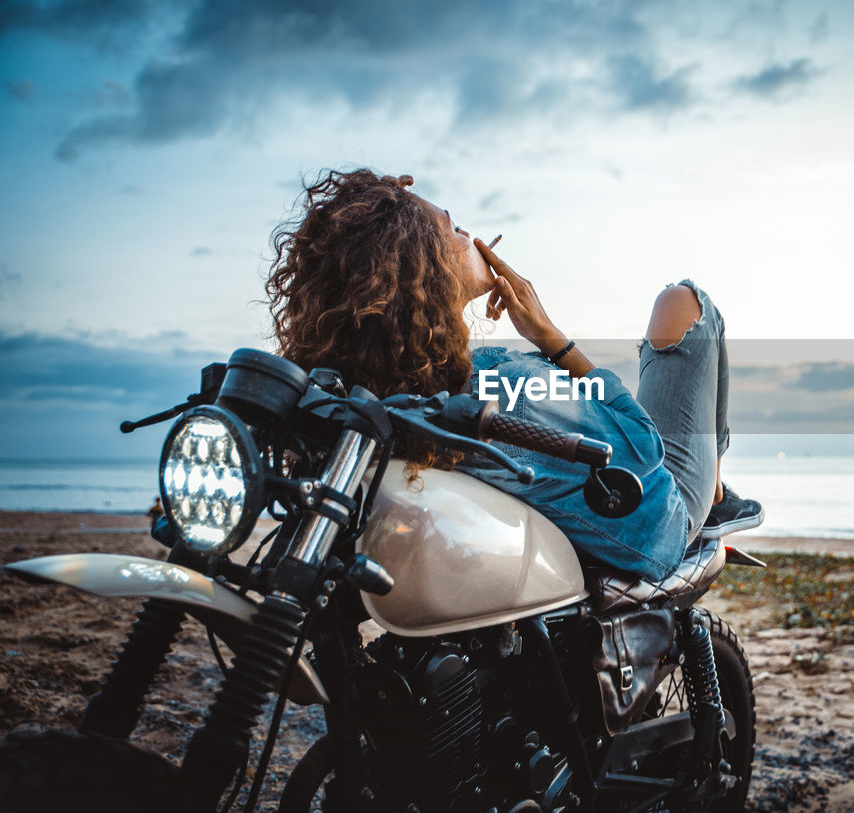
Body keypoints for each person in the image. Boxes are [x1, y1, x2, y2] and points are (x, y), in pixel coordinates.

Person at [266, 169, 761, 582]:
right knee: (686, 301)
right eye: (453, 228)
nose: (470, 236)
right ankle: (714, 486)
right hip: (665, 518)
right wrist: (550, 336)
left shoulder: (391, 399)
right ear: (426, 270)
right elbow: (645, 447)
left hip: (582, 521)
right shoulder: (497, 387)